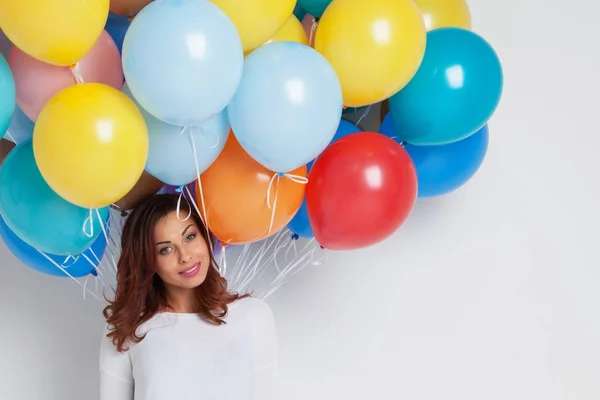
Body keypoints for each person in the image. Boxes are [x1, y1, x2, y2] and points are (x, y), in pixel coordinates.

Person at [99, 194, 279, 400]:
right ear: (148, 261)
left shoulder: (253, 315)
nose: (185, 256)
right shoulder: (126, 327)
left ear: (204, 236)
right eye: (165, 249)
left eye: (190, 237)